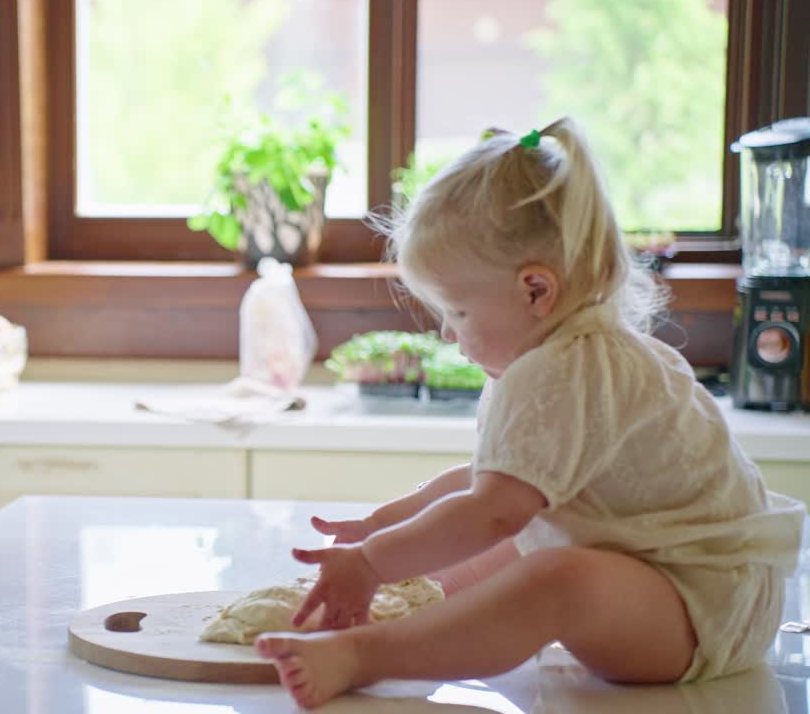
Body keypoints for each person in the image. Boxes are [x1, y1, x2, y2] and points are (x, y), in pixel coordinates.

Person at [254, 118, 806, 709]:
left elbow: (489, 513)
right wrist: (385, 526)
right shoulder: (555, 352)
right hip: (668, 586)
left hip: (702, 609)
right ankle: (424, 622)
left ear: (536, 291)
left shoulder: (570, 369)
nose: (447, 330)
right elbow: (481, 480)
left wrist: (369, 561)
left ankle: (369, 655)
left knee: (553, 575)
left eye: (459, 311)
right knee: (512, 545)